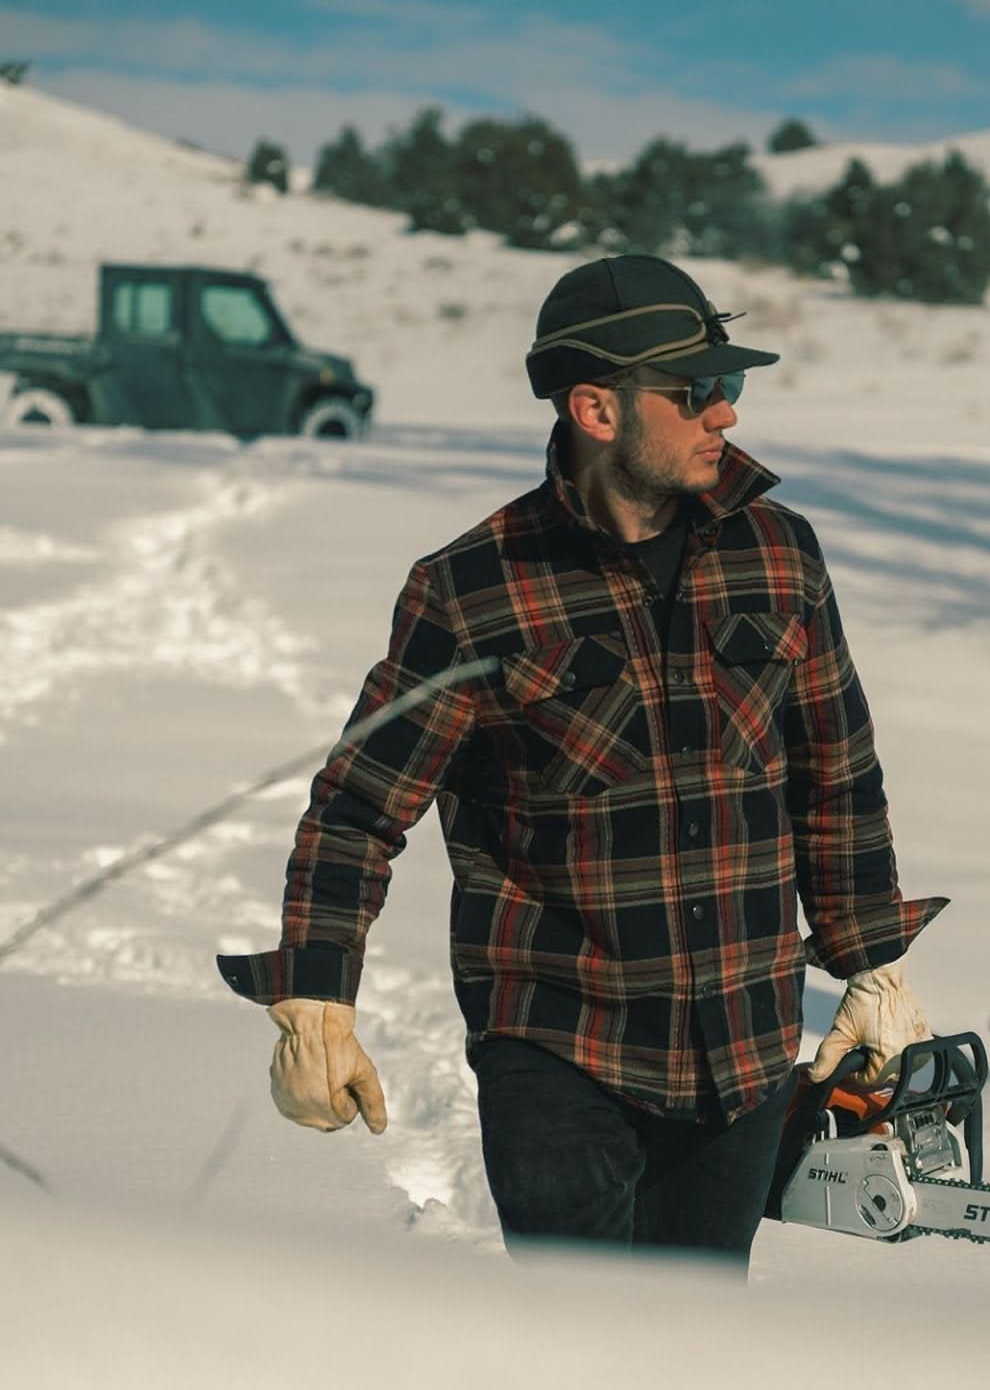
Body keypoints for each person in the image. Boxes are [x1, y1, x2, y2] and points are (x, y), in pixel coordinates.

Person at [217, 253, 946, 1269]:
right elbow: (357, 807)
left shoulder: (779, 555)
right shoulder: (471, 590)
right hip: (558, 1044)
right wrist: (316, 995)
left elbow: (835, 776)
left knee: (690, 1354)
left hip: (740, 1045)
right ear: (596, 408)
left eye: (728, 386)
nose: (724, 415)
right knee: (581, 1347)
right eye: (695, 391)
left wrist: (869, 963)